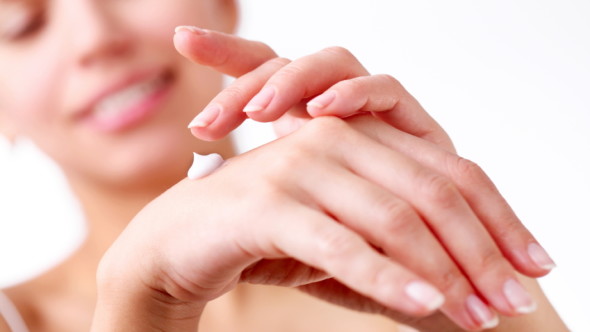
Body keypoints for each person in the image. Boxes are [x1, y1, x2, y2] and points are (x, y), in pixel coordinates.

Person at [0, 0, 569, 331]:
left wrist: (490, 305)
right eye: (22, 23)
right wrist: (143, 300)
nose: (97, 38)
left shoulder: (407, 271)